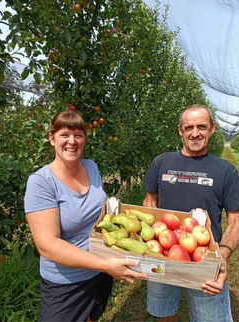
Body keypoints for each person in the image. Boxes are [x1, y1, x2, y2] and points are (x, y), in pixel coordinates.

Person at [24, 110, 147, 322]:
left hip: (100, 271)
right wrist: (105, 265)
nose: (72, 141)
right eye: (64, 134)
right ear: (51, 138)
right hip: (66, 281)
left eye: (78, 135)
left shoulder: (91, 167)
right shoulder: (41, 183)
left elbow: (101, 213)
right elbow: (46, 245)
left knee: (92, 317)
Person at [142, 104, 239, 322]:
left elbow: (237, 222)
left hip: (204, 258)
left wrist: (222, 255)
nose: (195, 133)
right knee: (163, 312)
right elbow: (150, 201)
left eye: (202, 126)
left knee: (210, 317)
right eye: (189, 127)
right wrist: (149, 240)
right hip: (162, 253)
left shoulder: (226, 171)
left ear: (212, 129)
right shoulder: (161, 163)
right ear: (180, 130)